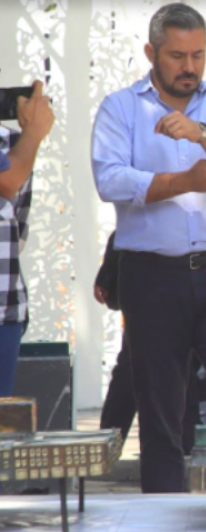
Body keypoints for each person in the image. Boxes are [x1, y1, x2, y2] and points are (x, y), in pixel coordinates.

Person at [90, 3, 206, 493]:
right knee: (161, 410)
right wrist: (184, 180)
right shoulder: (120, 108)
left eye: (198, 55)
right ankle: (163, 514)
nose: (189, 67)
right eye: (177, 56)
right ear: (151, 52)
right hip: (151, 276)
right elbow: (110, 180)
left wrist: (204, 135)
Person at [95, 232, 206, 452]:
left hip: (188, 288)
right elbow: (127, 227)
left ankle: (187, 449)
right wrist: (107, 270)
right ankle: (107, 446)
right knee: (130, 371)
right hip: (146, 290)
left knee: (189, 374)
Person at [0, 80, 53, 397]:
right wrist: (34, 133)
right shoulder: (22, 145)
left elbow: (18, 227)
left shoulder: (12, 143)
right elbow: (8, 183)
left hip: (6, 308)